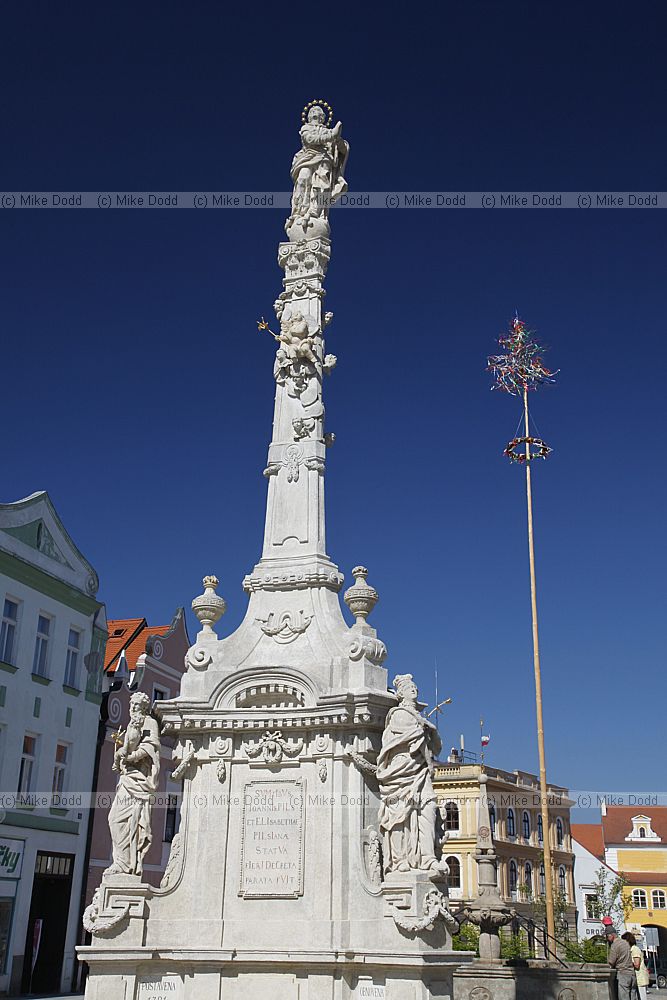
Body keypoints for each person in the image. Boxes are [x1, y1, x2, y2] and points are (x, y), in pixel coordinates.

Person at [376, 673, 446, 874]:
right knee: (400, 816)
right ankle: (400, 860)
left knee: (428, 808)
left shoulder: (418, 718)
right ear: (400, 693)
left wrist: (429, 730)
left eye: (414, 687)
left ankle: (428, 858)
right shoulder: (398, 714)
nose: (413, 690)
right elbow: (415, 736)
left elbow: (433, 745)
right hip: (400, 770)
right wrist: (426, 729)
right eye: (408, 688)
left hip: (419, 770)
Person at [105, 691, 161, 878]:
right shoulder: (130, 724)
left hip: (140, 779)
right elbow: (128, 745)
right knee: (115, 819)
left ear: (144, 707)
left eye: (137, 705)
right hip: (127, 777)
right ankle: (121, 861)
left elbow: (151, 746)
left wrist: (132, 756)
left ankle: (127, 864)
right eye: (132, 704)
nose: (133, 707)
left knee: (134, 822)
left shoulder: (149, 722)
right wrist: (120, 754)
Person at [606, 926, 637, 1000]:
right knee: (633, 996)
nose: (607, 939)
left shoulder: (615, 945)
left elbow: (611, 961)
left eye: (607, 936)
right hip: (632, 974)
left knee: (624, 997)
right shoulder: (626, 943)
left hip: (623, 973)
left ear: (612, 935)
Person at [623, 932, 649, 1000]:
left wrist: (626, 963)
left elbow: (637, 965)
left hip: (640, 977)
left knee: (642, 997)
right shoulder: (631, 949)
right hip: (636, 977)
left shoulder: (635, 949)